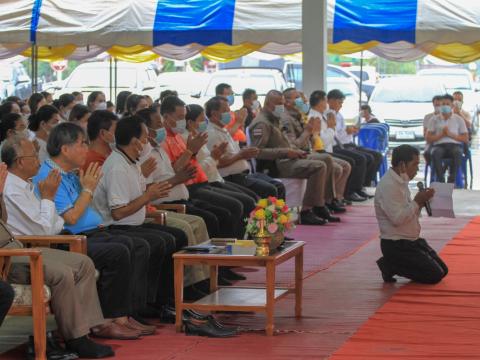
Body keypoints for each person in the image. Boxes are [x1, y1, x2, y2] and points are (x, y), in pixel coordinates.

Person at [32, 123, 154, 339]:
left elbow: (82, 208)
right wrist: (88, 188)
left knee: (137, 244)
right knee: (118, 251)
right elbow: (70, 218)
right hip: (69, 239)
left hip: (91, 232)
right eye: (82, 144)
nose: (87, 149)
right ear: (64, 148)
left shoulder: (67, 173)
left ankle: (125, 314)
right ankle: (106, 320)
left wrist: (85, 187)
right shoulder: (50, 176)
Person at [1, 138, 115, 358]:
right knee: (62, 273)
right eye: (33, 157)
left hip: (25, 244)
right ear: (19, 162)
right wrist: (47, 198)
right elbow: (45, 230)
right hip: (12, 254)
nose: (39, 160)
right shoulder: (10, 189)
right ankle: (77, 338)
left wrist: (47, 200)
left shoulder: (27, 183)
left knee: (83, 263)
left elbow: (55, 224)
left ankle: (88, 330)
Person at [93, 116, 189, 311]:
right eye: (146, 137)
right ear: (135, 142)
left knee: (176, 236)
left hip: (133, 222)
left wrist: (153, 191)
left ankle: (164, 299)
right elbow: (118, 213)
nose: (149, 141)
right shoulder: (117, 166)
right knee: (151, 243)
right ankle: (140, 306)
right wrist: (148, 196)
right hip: (116, 227)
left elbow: (139, 192)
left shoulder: (131, 161)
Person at [249, 90, 331, 225]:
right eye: (279, 104)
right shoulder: (262, 123)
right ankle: (307, 210)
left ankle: (321, 203)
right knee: (319, 166)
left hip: (288, 157)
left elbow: (288, 142)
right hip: (275, 164)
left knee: (324, 159)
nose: (282, 106)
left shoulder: (275, 119)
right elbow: (257, 152)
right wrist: (285, 152)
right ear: (269, 104)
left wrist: (294, 151)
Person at [375, 144, 448, 284]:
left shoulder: (401, 181)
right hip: (396, 245)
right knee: (434, 275)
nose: (417, 169)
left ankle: (394, 264)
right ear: (402, 165)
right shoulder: (389, 186)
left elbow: (410, 213)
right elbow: (397, 219)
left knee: (443, 270)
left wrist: (421, 202)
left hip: (411, 241)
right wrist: (417, 202)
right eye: (415, 164)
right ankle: (390, 264)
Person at [205, 96, 285, 201]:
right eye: (225, 111)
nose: (229, 113)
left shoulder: (222, 129)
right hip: (231, 177)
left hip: (243, 174)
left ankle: (279, 216)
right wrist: (241, 155)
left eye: (229, 110)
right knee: (270, 190)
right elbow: (218, 162)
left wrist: (246, 152)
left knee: (279, 186)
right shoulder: (212, 133)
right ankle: (267, 217)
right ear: (214, 113)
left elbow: (233, 153)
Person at [282, 88, 345, 216]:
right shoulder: (286, 119)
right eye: (300, 100)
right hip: (292, 157)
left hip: (307, 151)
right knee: (323, 163)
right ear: (287, 102)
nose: (304, 103)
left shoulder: (300, 116)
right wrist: (310, 132)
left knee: (336, 165)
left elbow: (310, 141)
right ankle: (311, 207)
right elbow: (294, 145)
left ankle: (325, 202)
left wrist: (312, 134)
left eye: (304, 100)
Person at [328, 89, 380, 199]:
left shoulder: (339, 115)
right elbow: (334, 136)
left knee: (376, 156)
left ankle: (361, 186)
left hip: (347, 143)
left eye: (342, 103)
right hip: (336, 146)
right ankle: (351, 190)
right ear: (330, 101)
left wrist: (351, 130)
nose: (341, 105)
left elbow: (342, 132)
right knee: (361, 159)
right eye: (339, 102)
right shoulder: (329, 115)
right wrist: (347, 131)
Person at [308, 90, 352, 206]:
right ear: (321, 102)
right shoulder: (313, 117)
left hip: (328, 150)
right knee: (341, 167)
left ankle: (337, 198)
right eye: (326, 100)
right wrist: (331, 128)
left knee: (346, 165)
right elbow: (322, 141)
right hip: (320, 151)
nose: (327, 103)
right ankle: (329, 200)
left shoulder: (322, 115)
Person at [426, 94, 468, 184]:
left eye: (447, 104)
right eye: (443, 104)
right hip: (439, 145)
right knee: (435, 153)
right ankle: (440, 179)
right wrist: (441, 135)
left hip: (454, 145)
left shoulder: (458, 119)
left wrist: (450, 134)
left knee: (458, 152)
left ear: (452, 105)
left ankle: (451, 179)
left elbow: (465, 138)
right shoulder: (434, 119)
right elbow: (428, 138)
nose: (445, 106)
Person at [423, 95, 443, 165]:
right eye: (436, 105)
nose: (437, 107)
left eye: (439, 105)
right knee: (427, 153)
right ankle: (433, 170)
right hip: (431, 143)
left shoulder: (446, 117)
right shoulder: (428, 117)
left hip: (444, 143)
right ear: (433, 104)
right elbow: (425, 134)